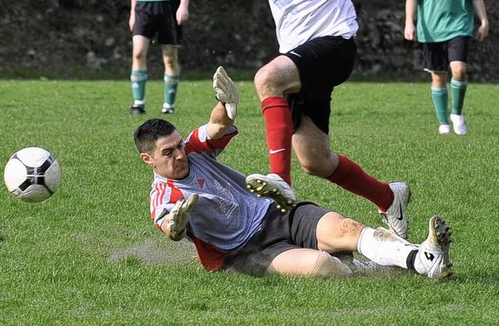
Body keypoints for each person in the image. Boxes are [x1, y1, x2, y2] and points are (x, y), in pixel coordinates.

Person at [182, 0, 488, 239]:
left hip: (335, 46)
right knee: (315, 161)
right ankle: (390, 197)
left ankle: (279, 179)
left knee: (267, 78)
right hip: (297, 59)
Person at [133, 66, 453, 279]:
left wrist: (225, 102)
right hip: (245, 252)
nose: (179, 154)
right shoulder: (162, 196)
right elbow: (169, 228)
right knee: (323, 267)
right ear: (148, 160)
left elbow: (217, 126)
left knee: (347, 228)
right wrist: (177, 224)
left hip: (276, 213)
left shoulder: (192, 148)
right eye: (168, 152)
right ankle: (379, 266)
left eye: (177, 145)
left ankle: (424, 260)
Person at [403, 0, 489, 136]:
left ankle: (457, 114)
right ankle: (443, 123)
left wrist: (484, 21)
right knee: (438, 76)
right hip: (431, 28)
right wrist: (409, 22)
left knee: (459, 69)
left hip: (459, 25)